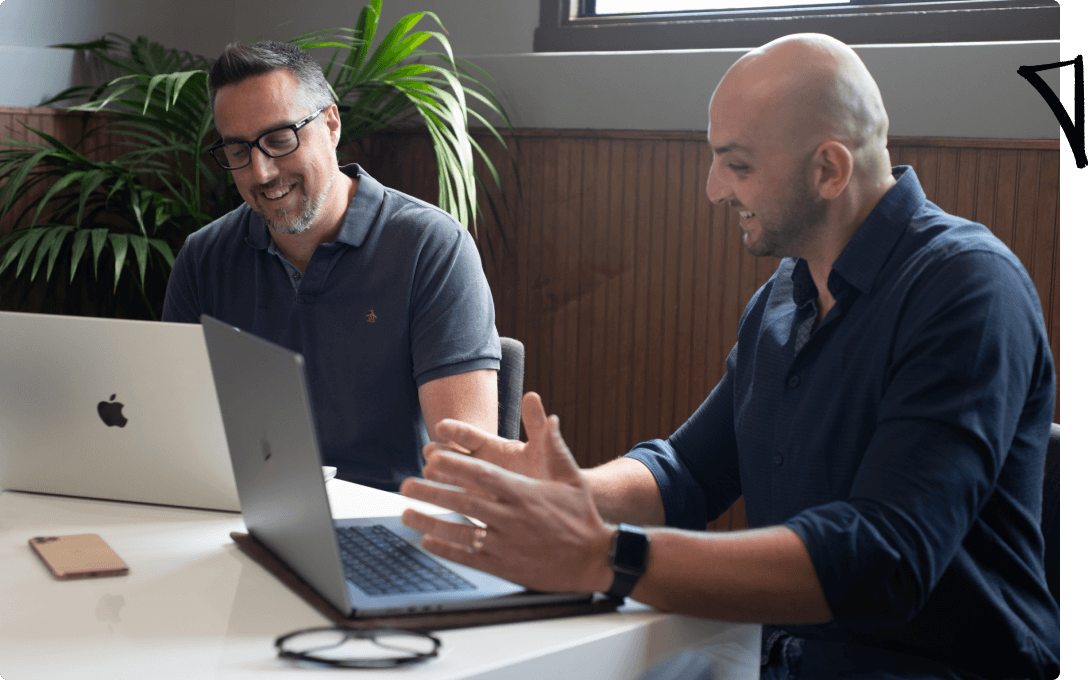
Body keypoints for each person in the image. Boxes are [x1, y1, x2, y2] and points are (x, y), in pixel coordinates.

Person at [398, 33, 1060, 680]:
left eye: (737, 165)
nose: (714, 189)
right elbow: (688, 472)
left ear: (829, 169)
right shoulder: (786, 292)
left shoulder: (969, 288)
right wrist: (568, 493)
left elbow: (884, 557)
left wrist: (605, 556)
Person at [163, 42, 500, 492]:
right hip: (245, 519)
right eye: (238, 151)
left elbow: (468, 466)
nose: (261, 173)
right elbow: (176, 436)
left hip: (394, 525)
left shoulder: (431, 247)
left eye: (280, 139)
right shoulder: (203, 257)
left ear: (331, 123)